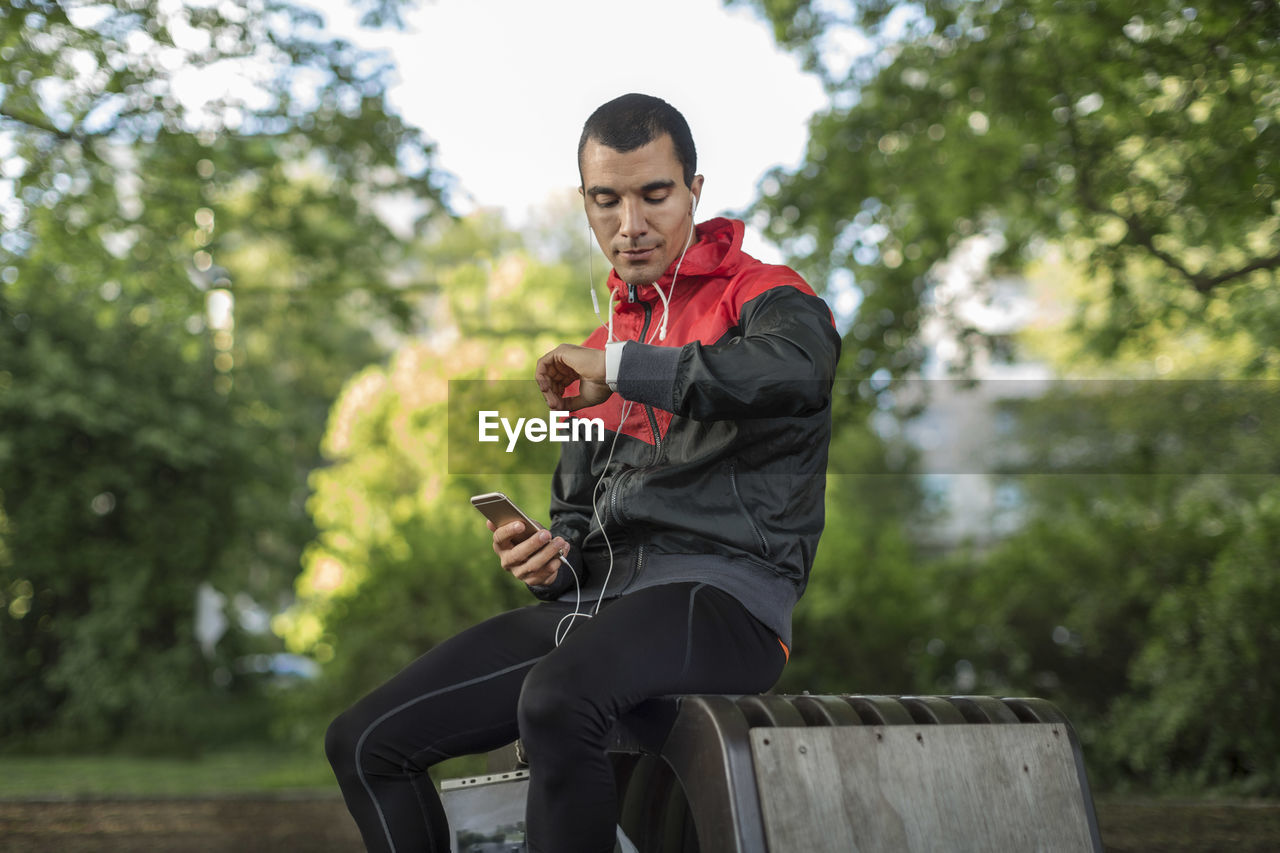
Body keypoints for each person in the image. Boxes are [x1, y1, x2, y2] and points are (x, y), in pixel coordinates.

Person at [325, 93, 841, 853]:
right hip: (600, 605)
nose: (629, 224)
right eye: (607, 200)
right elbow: (577, 520)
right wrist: (547, 557)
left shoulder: (764, 296)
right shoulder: (599, 349)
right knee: (364, 742)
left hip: (728, 599)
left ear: (694, 191)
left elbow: (796, 375)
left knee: (560, 696)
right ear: (586, 203)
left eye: (653, 194)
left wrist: (625, 367)